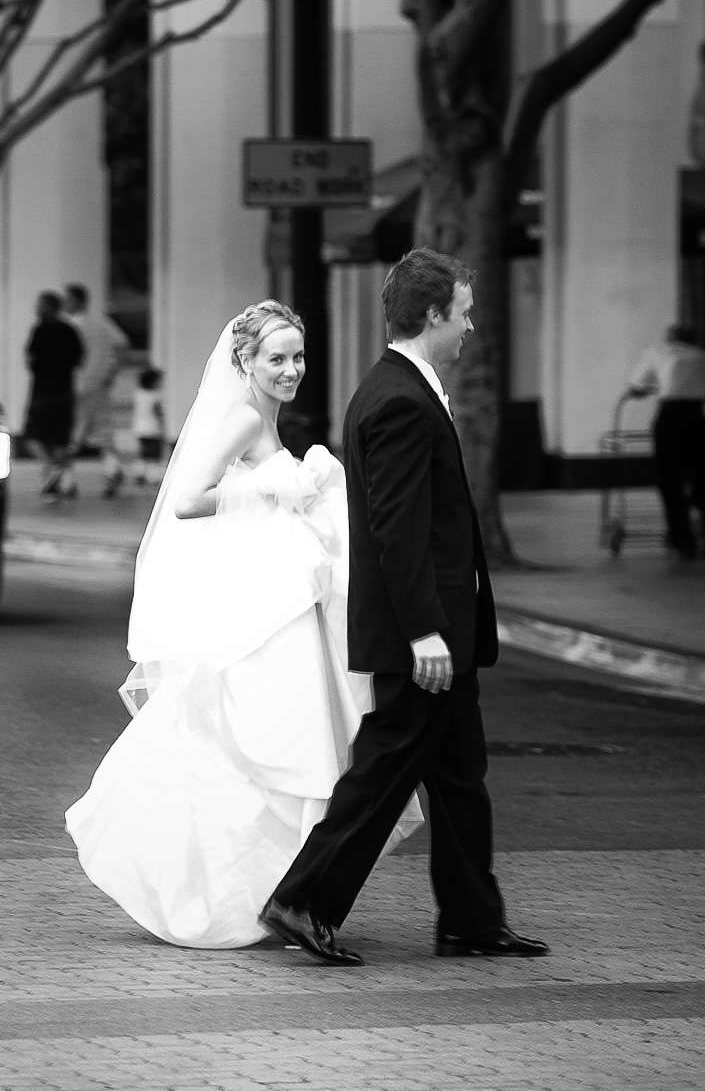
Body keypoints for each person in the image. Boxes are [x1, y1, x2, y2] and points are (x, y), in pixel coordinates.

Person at [65, 300, 421, 949]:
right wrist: (272, 491)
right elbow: (190, 499)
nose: (291, 369)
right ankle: (247, 893)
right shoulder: (238, 416)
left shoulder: (264, 415)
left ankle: (274, 891)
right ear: (245, 361)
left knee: (283, 742)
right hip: (264, 611)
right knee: (265, 741)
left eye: (298, 357)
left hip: (280, 596)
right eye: (277, 358)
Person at [261, 248, 547, 968]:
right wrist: (423, 629)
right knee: (384, 766)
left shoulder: (406, 389)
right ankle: (304, 899)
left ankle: (471, 920)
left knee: (459, 774)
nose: (471, 326)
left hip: (440, 628)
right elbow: (396, 530)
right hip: (420, 635)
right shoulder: (397, 399)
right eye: (464, 313)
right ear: (430, 316)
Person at [625, 323, 705, 560]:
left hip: (673, 416)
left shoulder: (658, 352)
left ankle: (683, 540)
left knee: (670, 479)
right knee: (704, 475)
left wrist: (641, 391)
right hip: (704, 417)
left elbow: (637, 385)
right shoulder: (703, 356)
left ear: (670, 339)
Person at [63, 283, 132, 498]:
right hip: (97, 383)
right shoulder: (101, 323)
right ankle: (112, 469)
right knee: (103, 431)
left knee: (72, 432)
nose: (66, 303)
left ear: (79, 301)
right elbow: (122, 343)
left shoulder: (66, 326)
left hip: (76, 384)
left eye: (69, 299)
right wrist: (111, 372)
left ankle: (66, 480)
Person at [24, 291, 84, 498]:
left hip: (42, 392)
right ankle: (67, 479)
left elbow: (31, 359)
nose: (36, 309)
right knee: (60, 439)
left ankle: (52, 470)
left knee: (33, 436)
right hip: (65, 392)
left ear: (49, 307)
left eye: (40, 305)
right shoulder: (70, 330)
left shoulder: (40, 330)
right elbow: (79, 359)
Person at [130, 366, 167, 486]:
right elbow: (158, 413)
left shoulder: (138, 394)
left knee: (143, 453)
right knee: (154, 454)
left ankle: (139, 472)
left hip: (139, 428)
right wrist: (163, 427)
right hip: (152, 429)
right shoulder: (155, 396)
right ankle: (153, 476)